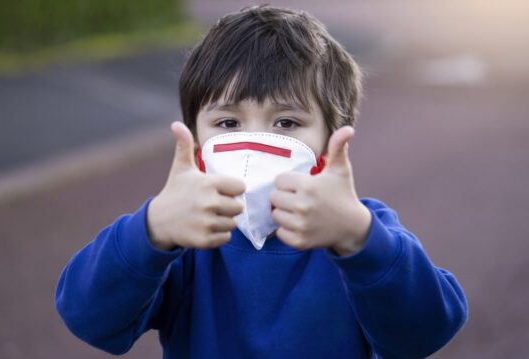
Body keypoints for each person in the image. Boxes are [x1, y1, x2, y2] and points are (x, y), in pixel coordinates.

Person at [55, 5, 467, 358]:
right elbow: (89, 318)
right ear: (197, 141)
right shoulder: (183, 233)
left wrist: (361, 240)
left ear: (330, 139)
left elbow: (425, 333)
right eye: (228, 123)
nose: (251, 145)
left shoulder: (358, 228)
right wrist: (152, 230)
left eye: (286, 122)